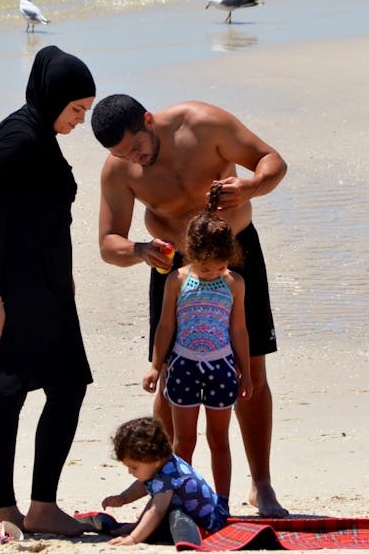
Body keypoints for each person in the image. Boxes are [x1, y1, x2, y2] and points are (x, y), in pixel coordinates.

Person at [91, 94, 289, 517]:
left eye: (136, 148)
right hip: (173, 266)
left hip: (234, 255)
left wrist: (251, 186)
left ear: (148, 120)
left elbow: (272, 160)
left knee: (250, 367)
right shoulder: (119, 168)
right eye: (123, 155)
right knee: (168, 372)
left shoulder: (204, 124)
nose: (135, 161)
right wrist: (141, 250)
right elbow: (109, 242)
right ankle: (170, 488)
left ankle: (261, 485)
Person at [0, 45, 97, 536]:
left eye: (85, 111)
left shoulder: (43, 136)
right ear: (52, 97)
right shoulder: (15, 140)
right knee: (6, 393)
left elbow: (52, 218)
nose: (79, 121)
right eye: (76, 110)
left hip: (47, 284)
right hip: (7, 286)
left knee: (68, 385)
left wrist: (65, 273)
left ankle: (42, 507)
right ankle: (5, 510)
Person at [143, 183, 252, 503]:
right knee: (183, 441)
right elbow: (165, 325)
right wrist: (154, 367)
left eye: (220, 266)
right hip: (183, 367)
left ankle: (221, 503)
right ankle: (183, 501)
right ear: (191, 254)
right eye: (207, 267)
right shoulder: (176, 280)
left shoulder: (234, 283)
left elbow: (240, 331)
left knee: (219, 439)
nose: (214, 273)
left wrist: (245, 373)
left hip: (221, 368)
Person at [102, 417, 228, 546]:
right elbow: (142, 485)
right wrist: (123, 498)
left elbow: (157, 511)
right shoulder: (160, 463)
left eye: (134, 467)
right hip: (189, 511)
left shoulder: (168, 476)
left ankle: (142, 528)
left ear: (156, 460)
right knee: (157, 512)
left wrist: (133, 538)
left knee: (163, 519)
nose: (130, 472)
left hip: (205, 522)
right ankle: (140, 525)